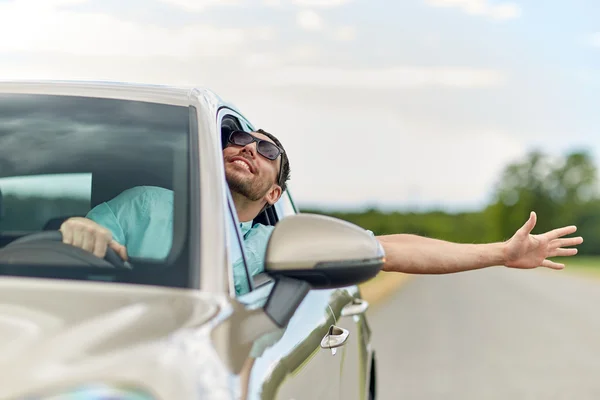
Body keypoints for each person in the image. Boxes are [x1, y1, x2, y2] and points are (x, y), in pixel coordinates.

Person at [59, 129, 583, 295]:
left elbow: (395, 248)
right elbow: (82, 236)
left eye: (267, 153)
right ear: (212, 155)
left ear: (273, 196)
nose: (248, 149)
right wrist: (78, 232)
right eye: (239, 140)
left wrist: (499, 252)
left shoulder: (279, 245)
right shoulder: (147, 204)